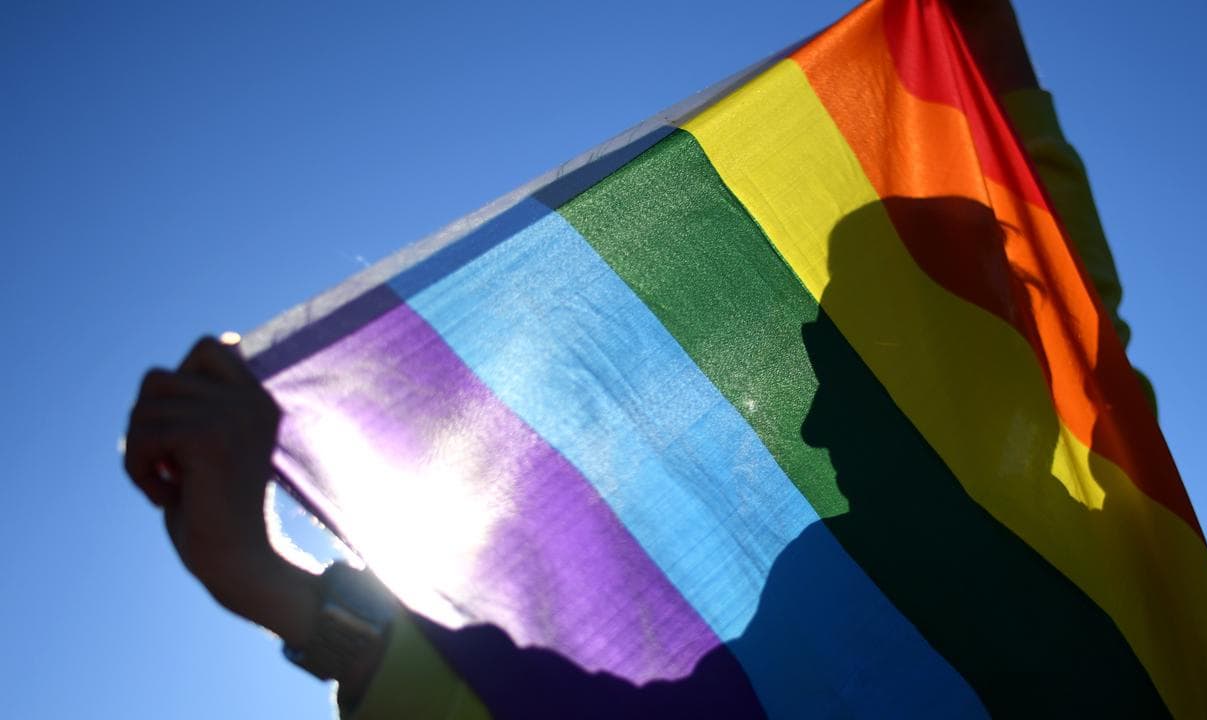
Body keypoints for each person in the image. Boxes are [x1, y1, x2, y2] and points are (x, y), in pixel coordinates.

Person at [124, 1, 1151, 716]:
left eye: (840, 371)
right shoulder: (830, 606)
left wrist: (283, 592)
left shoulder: (1114, 530)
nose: (809, 420)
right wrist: (276, 586)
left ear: (954, 376)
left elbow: (1043, 234)